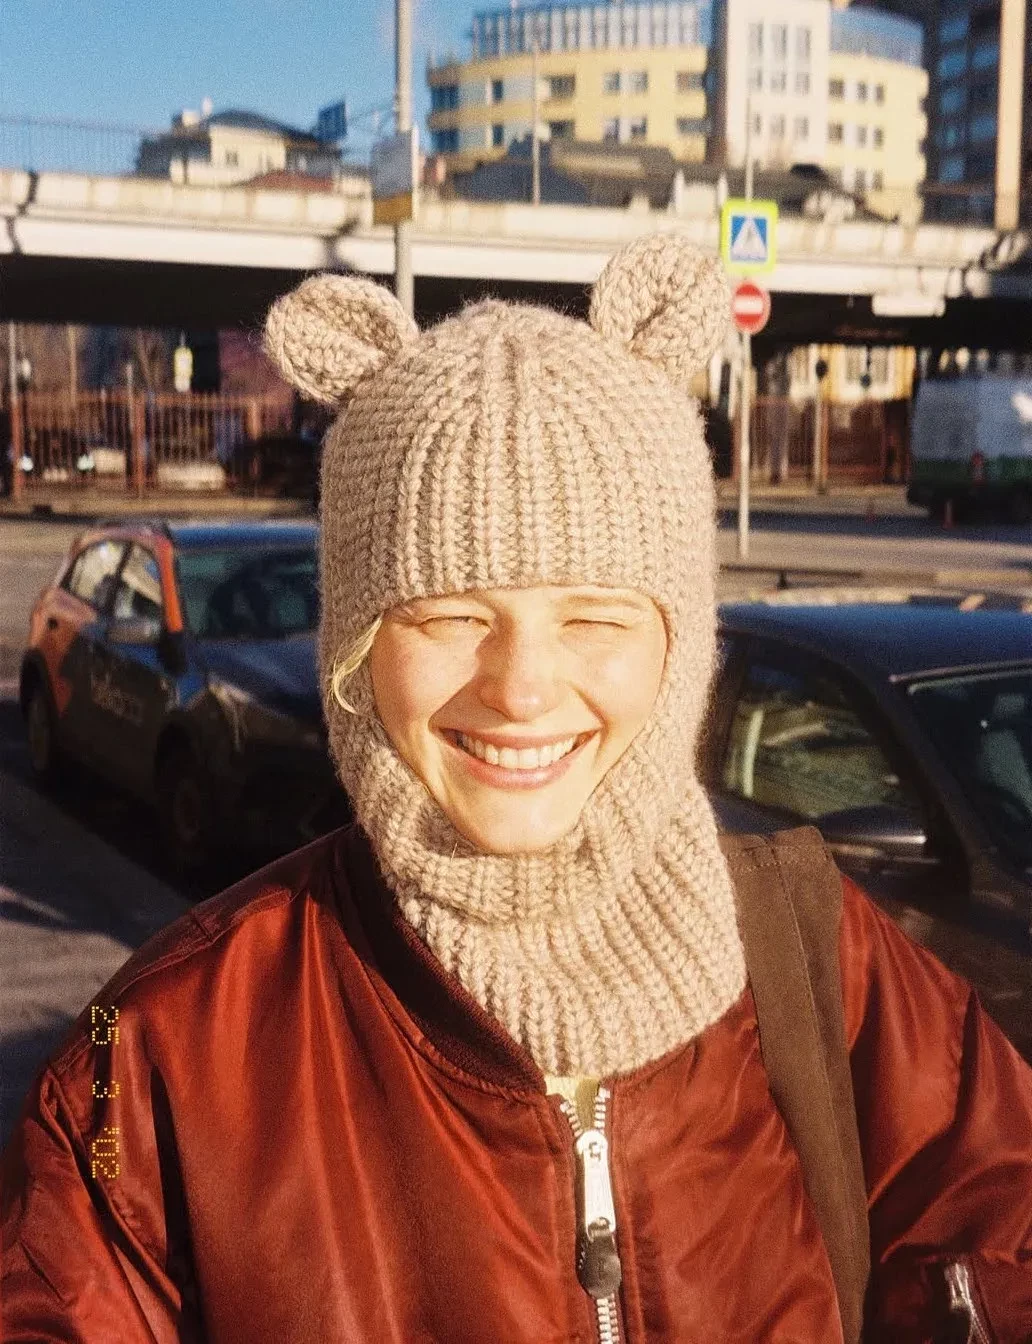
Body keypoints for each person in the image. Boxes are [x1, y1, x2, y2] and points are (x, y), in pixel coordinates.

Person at [2, 235, 1031, 1343]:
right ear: (355, 652)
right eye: (451, 615)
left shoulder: (825, 952)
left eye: (594, 617)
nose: (523, 689)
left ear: (679, 647)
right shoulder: (158, 1048)